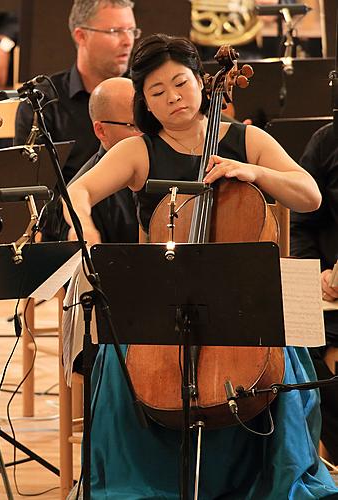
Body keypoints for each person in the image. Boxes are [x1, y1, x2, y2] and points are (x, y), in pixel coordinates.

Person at [66, 33, 337, 498]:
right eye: (157, 91)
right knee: (116, 354)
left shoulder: (245, 138)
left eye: (181, 83)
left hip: (240, 295)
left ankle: (267, 475)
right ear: (144, 104)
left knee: (278, 350)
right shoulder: (138, 151)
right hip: (164, 298)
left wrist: (255, 172)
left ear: (200, 82)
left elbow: (308, 194)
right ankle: (145, 481)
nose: (173, 97)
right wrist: (86, 231)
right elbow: (79, 191)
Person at [14, 0, 137, 241]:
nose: (127, 41)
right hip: (72, 235)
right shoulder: (42, 102)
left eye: (131, 30)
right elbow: (35, 193)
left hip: (140, 232)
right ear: (81, 35)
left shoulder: (145, 94)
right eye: (115, 31)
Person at [291, 121, 338, 462]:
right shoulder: (326, 141)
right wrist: (317, 272)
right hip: (329, 290)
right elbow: (302, 221)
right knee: (300, 347)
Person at [65, 76, 140, 244]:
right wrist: (85, 225)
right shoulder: (92, 196)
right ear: (101, 131)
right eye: (134, 126)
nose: (145, 133)